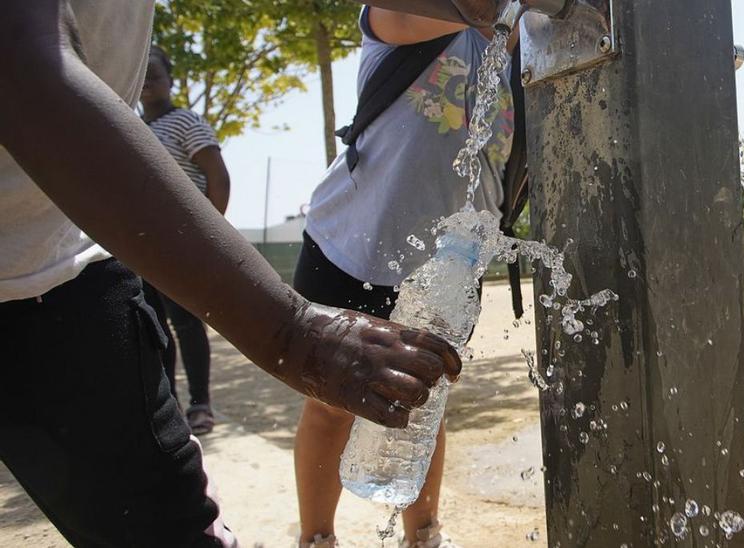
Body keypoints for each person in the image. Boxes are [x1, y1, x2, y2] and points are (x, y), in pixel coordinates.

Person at [0, 2, 461, 546]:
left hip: (69, 265)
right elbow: (22, 68)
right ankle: (317, 535)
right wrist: (293, 332)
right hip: (91, 256)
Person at [292, 6, 515, 548]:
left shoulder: (520, 49)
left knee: (421, 401)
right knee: (330, 405)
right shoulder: (405, 18)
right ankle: (317, 538)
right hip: (350, 248)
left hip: (447, 264)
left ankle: (424, 536)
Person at [140, 45, 231, 435]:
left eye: (155, 75)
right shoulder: (132, 129)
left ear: (171, 80)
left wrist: (203, 233)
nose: (146, 83)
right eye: (140, 77)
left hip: (181, 243)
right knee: (151, 328)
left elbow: (218, 177)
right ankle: (169, 407)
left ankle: (200, 405)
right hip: (138, 246)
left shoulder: (186, 122)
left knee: (188, 325)